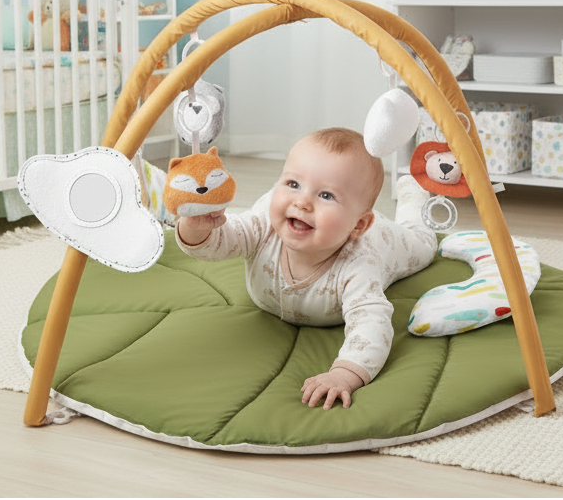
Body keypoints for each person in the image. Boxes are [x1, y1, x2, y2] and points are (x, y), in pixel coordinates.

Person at [175, 127, 436, 410]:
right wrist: (194, 227)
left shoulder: (361, 262)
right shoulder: (265, 222)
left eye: (326, 195)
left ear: (358, 224)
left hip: (383, 239)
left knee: (424, 243)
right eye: (293, 184)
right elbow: (219, 241)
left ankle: (413, 195)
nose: (302, 202)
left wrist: (344, 374)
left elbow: (371, 323)